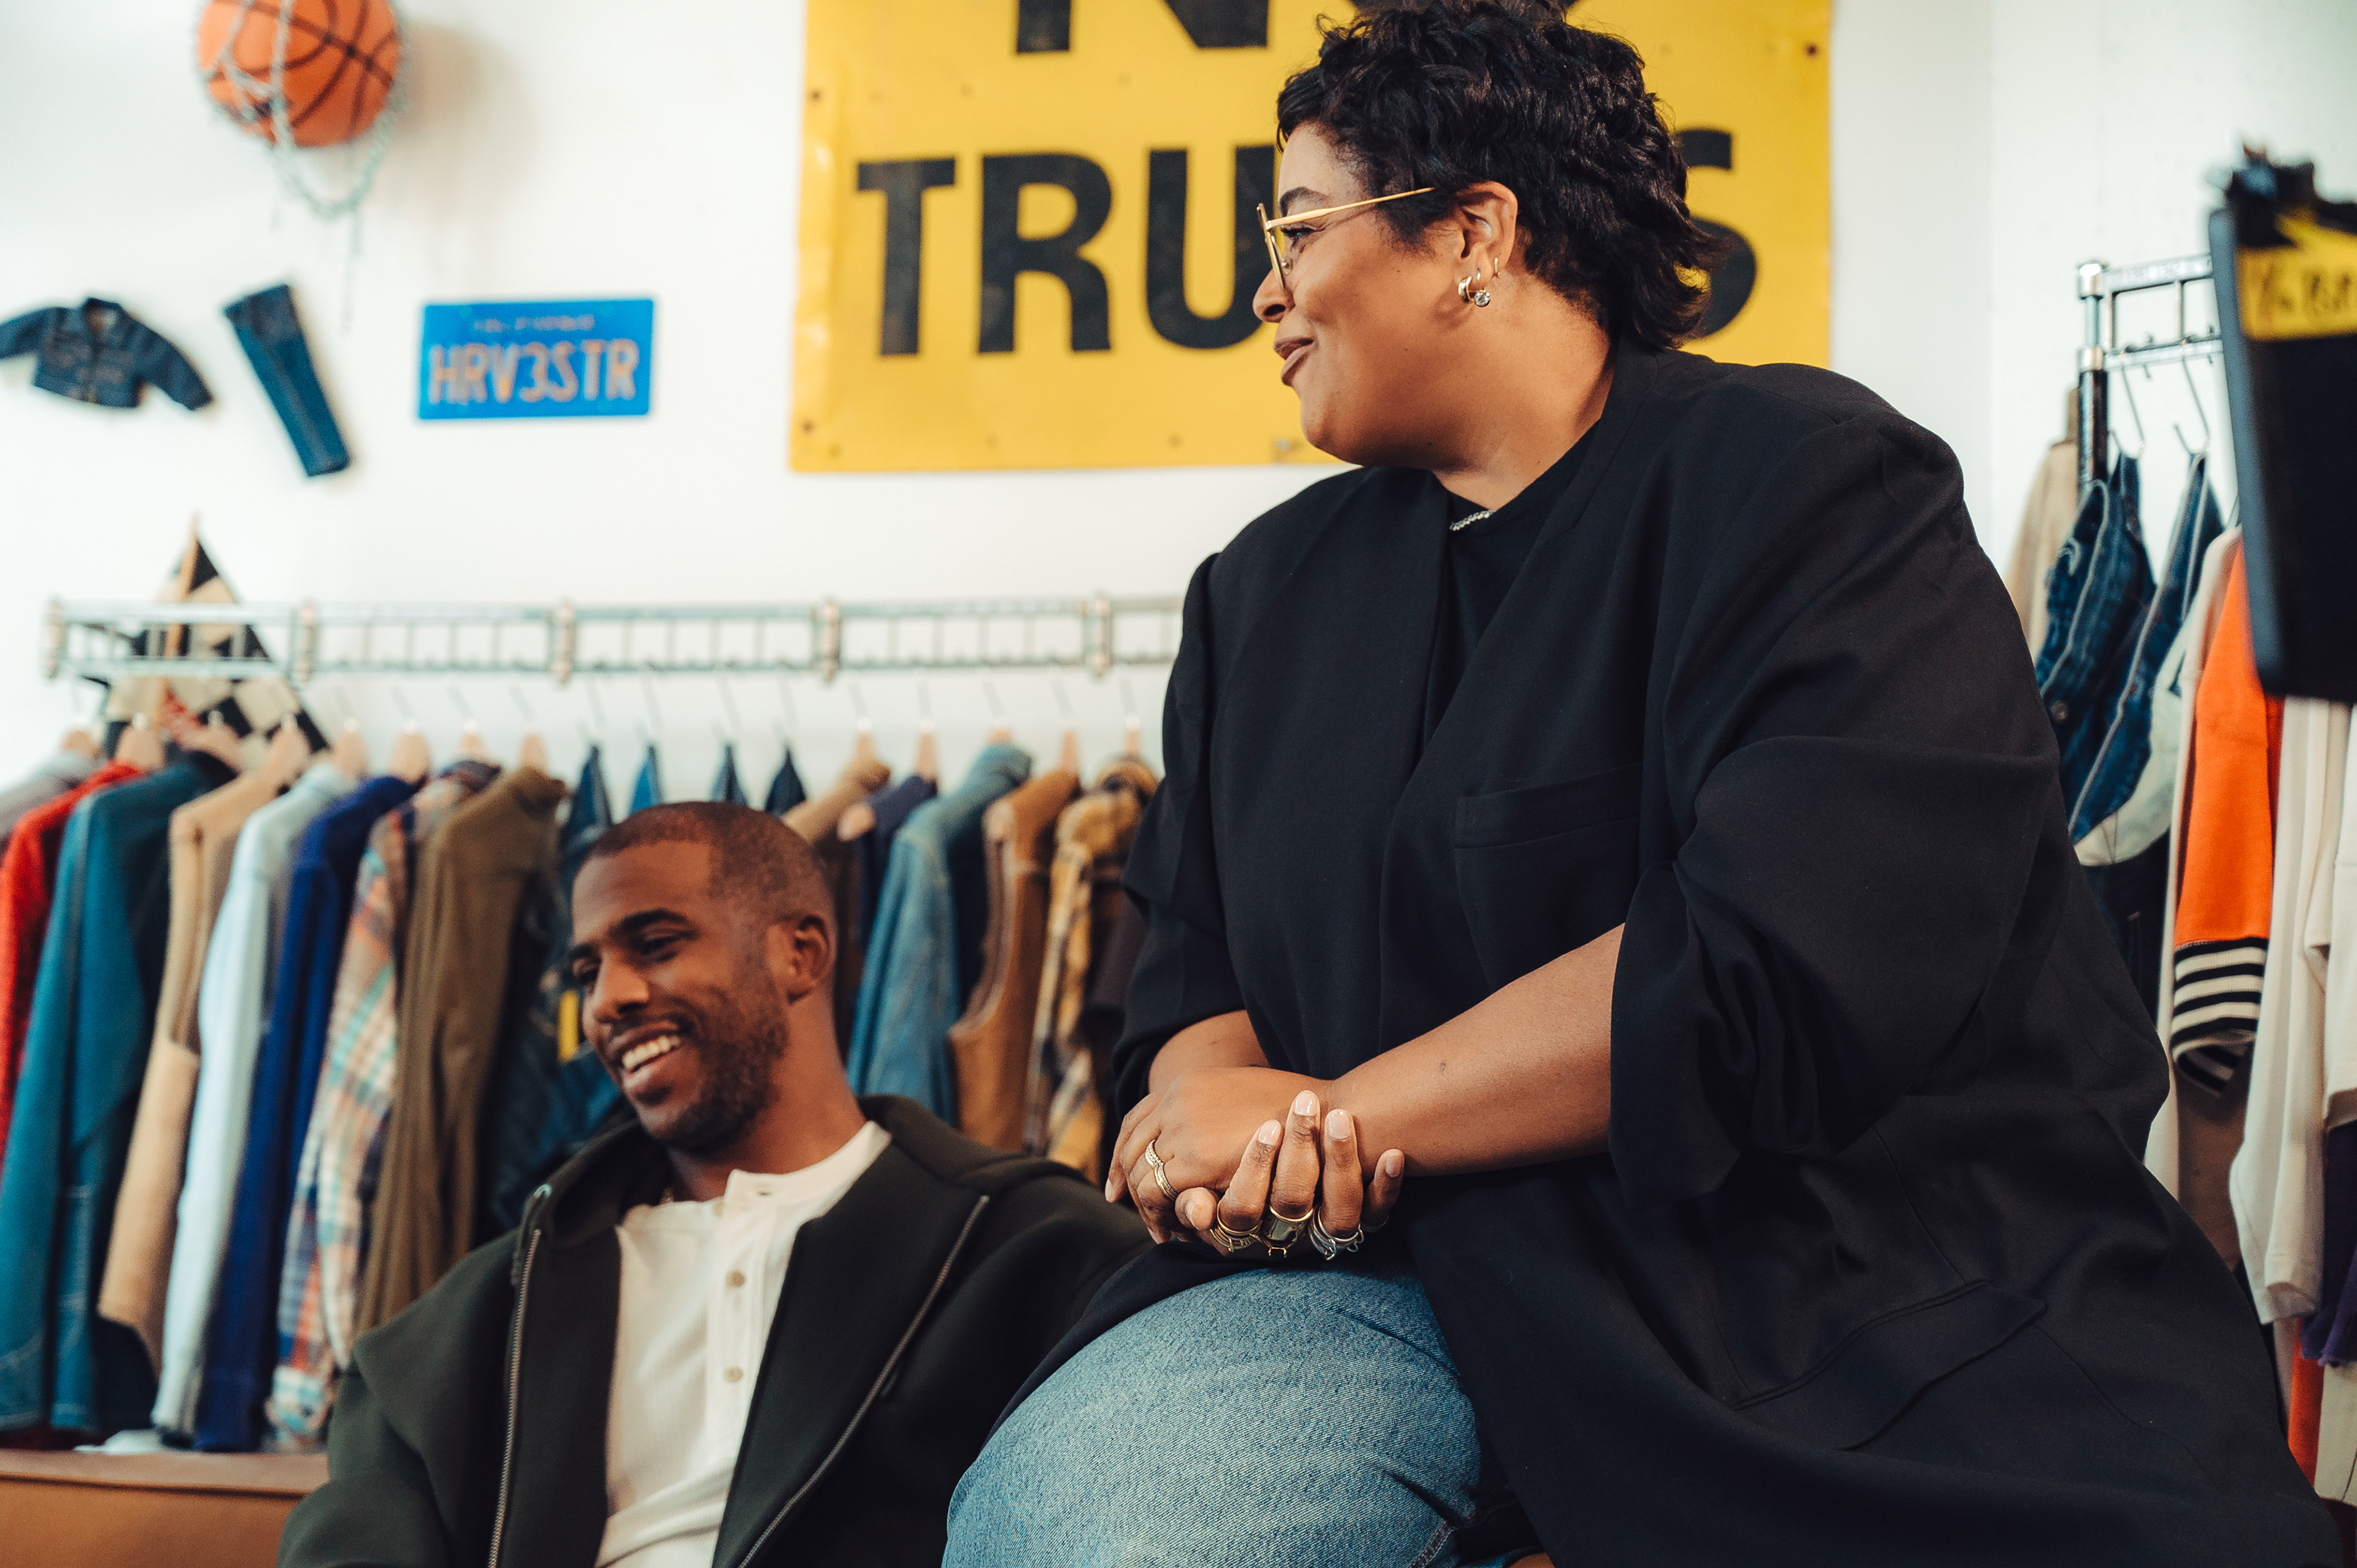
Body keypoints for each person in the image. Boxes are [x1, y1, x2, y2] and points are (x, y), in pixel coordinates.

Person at [945, 4, 2340, 1566]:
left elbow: (1764, 967)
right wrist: (1212, 1133)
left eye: (1299, 226)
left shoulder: (1812, 488)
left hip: (1808, 1283)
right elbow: (1194, 982)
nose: (1266, 290)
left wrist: (1329, 1116)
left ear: (1472, 234)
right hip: (1367, 1283)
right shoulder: (1260, 597)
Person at [279, 803, 1147, 1568]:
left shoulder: (1032, 1250)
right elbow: (360, 1524)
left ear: (801, 953)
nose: (609, 999)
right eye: (587, 973)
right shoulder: (492, 1311)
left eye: (655, 946)